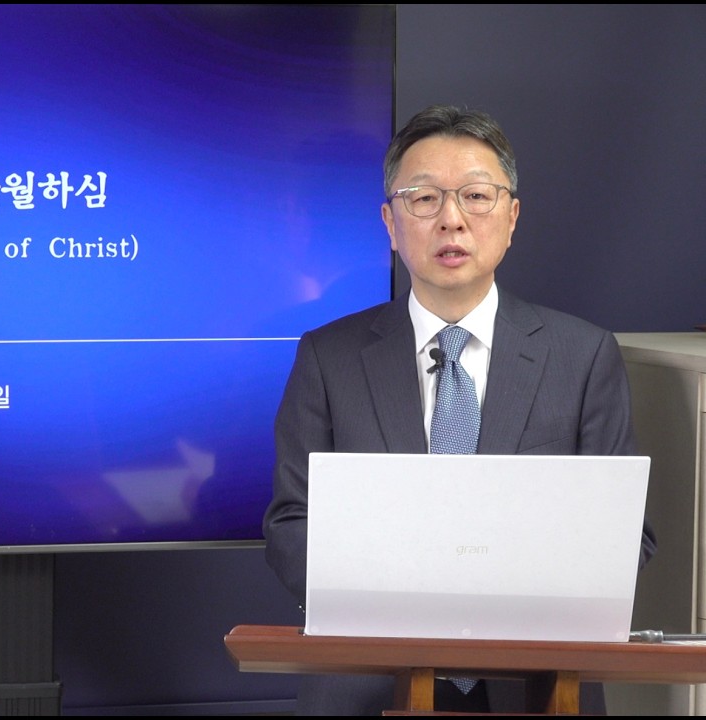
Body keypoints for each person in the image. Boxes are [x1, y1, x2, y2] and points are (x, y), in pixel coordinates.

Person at [262, 104, 657, 715]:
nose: (452, 219)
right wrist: (405, 602)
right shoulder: (328, 357)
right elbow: (292, 523)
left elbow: (627, 536)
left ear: (511, 216)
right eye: (424, 199)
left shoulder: (582, 356)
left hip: (536, 687)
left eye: (475, 196)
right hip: (369, 681)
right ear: (391, 223)